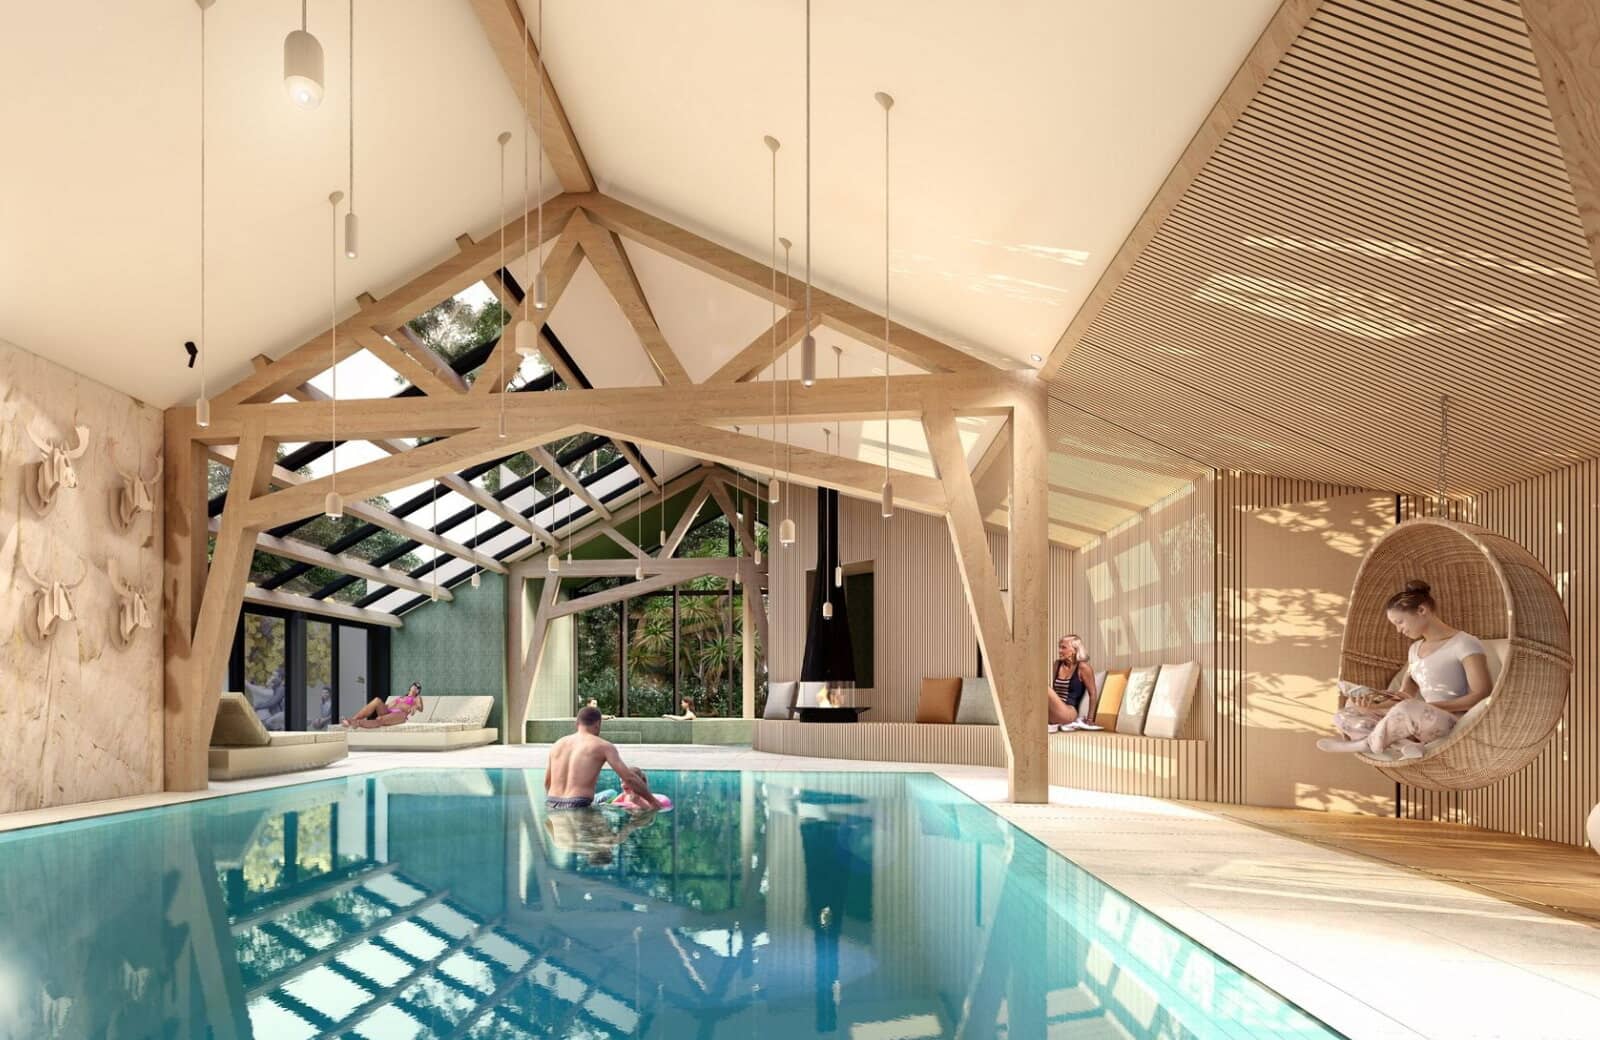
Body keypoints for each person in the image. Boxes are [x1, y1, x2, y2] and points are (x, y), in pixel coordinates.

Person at [1318, 580, 1492, 758]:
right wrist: (1372, 705)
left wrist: (1425, 706)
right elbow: (1404, 696)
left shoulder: (1464, 643)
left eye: (1400, 622)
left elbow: (1481, 695)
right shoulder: (1414, 649)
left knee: (1410, 708)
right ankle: (1406, 746)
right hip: (1416, 719)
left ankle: (1369, 743)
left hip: (1451, 721)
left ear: (1422, 610)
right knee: (1346, 711)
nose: (1399, 630)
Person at [545, 706, 661, 810]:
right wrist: (653, 802)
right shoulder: (603, 746)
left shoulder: (557, 744)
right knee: (605, 833)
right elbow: (629, 778)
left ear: (577, 724)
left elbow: (547, 782)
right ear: (598, 725)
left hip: (551, 802)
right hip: (579, 804)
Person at [1048, 635, 1103, 732]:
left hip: (1069, 712)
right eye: (1059, 647)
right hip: (1055, 710)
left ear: (1074, 650)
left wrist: (1090, 719)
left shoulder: (1083, 668)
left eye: (1063, 647)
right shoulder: (1057, 664)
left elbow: (1093, 694)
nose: (1060, 651)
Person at [343, 682, 423, 729]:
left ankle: (358, 723)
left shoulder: (416, 698)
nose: (415, 687)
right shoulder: (401, 697)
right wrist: (381, 707)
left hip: (400, 715)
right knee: (377, 700)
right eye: (414, 685)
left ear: (418, 691)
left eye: (418, 688)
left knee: (380, 719)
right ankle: (351, 720)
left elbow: (420, 707)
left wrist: (414, 707)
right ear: (410, 687)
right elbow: (388, 705)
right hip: (389, 712)